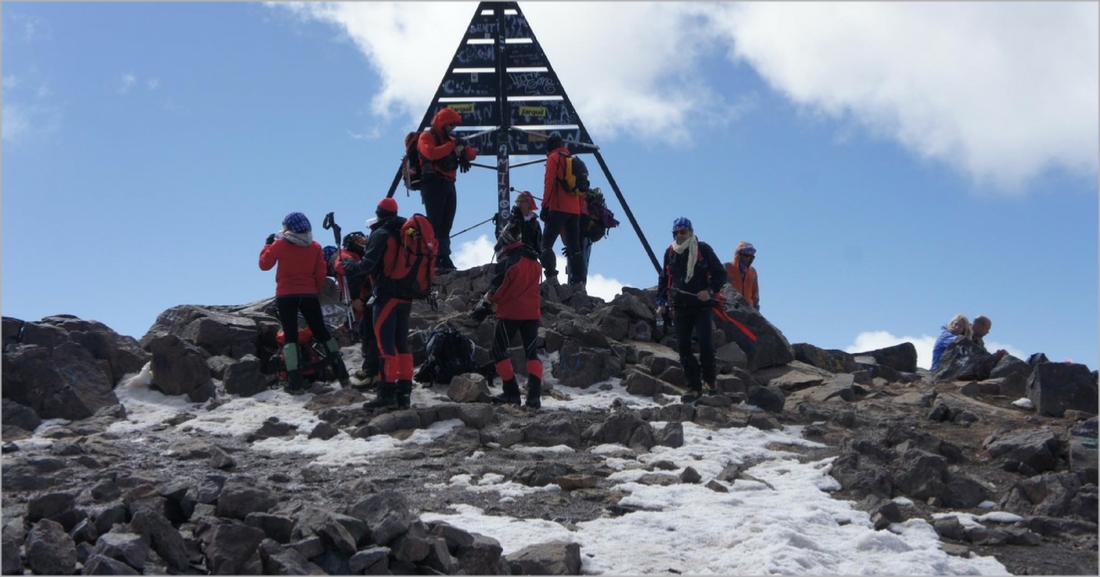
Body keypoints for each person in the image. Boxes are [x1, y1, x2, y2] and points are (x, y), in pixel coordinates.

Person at [259, 212, 351, 390]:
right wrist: (313, 290)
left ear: (288, 228)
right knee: (322, 332)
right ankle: (343, 376)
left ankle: (295, 382)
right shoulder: (315, 247)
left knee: (290, 336)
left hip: (285, 295)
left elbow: (264, 265)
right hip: (308, 294)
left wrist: (267, 245)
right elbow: (321, 273)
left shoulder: (279, 245)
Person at [342, 198, 416, 410]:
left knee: (385, 346)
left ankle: (386, 393)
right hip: (406, 295)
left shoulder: (381, 234)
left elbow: (367, 266)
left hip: (386, 296)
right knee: (402, 344)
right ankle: (404, 394)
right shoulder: (407, 231)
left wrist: (349, 267)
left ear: (379, 214)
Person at [655, 217, 728, 403]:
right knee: (684, 348)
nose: (679, 235)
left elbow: (721, 274)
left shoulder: (703, 249)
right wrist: (661, 302)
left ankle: (710, 381)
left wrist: (709, 291)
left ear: (691, 232)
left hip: (702, 306)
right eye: (676, 232)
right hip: (679, 307)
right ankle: (694, 387)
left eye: (683, 232)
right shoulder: (669, 252)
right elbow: (664, 279)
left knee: (705, 343)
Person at [472, 225, 545, 409]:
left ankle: (511, 393)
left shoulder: (510, 262)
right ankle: (534, 397)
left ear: (504, 240)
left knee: (498, 350)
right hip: (532, 313)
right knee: (532, 353)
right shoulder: (534, 261)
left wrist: (485, 305)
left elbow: (499, 289)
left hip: (512, 313)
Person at [418, 108, 477, 273]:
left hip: (449, 184)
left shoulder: (451, 139)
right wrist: (453, 145)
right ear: (442, 123)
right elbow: (430, 153)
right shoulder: (426, 137)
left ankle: (443, 256)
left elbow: (472, 155)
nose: (453, 128)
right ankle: (435, 258)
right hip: (433, 184)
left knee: (446, 225)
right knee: (435, 224)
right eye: (450, 124)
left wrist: (463, 146)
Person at [334, 231, 382, 388]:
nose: (362, 242)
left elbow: (351, 274)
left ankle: (372, 372)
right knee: (369, 334)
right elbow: (355, 275)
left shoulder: (345, 256)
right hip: (371, 297)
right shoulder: (358, 256)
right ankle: (371, 370)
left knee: (370, 335)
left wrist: (355, 298)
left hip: (368, 299)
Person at [540, 134, 587, 290]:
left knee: (546, 244)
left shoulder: (554, 159)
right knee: (575, 247)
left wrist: (545, 205)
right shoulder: (572, 160)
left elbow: (550, 183)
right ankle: (579, 281)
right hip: (574, 210)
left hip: (558, 207)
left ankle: (552, 277)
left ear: (549, 148)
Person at [495, 190, 542, 257]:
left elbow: (539, 243)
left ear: (529, 204)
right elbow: (500, 237)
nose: (519, 204)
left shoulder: (535, 223)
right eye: (517, 201)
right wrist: (498, 222)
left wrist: (540, 255)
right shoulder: (510, 219)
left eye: (522, 201)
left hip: (529, 256)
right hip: (512, 255)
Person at [725, 242, 759, 311]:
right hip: (729, 310)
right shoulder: (726, 268)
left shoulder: (753, 272)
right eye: (746, 255)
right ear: (739, 255)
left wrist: (755, 310)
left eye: (751, 256)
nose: (749, 258)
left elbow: (755, 295)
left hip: (748, 311)